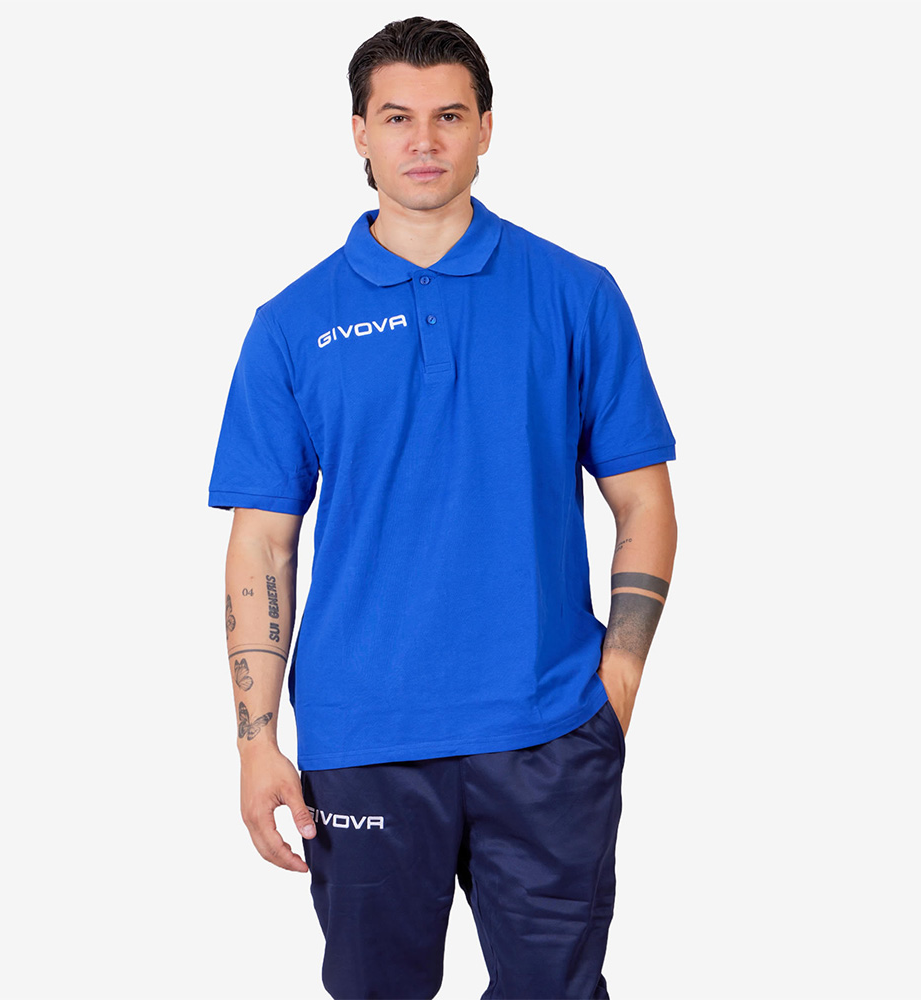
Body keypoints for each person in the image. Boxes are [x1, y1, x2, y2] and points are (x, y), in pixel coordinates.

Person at [208, 16, 677, 1000]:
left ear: (486, 127)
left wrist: (617, 684)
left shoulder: (575, 293)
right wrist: (255, 741)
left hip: (548, 730)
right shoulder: (291, 325)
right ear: (358, 131)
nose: (423, 141)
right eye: (397, 117)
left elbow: (642, 498)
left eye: (449, 116)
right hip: (362, 740)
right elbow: (262, 545)